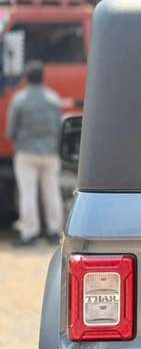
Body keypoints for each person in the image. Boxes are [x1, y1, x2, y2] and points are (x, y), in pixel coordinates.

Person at [5, 60, 63, 246]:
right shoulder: (53, 99)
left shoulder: (19, 99)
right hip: (50, 153)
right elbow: (58, 127)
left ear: (26, 78)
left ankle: (30, 234)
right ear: (42, 77)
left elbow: (11, 130)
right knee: (52, 192)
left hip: (26, 152)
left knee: (27, 193)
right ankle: (55, 232)